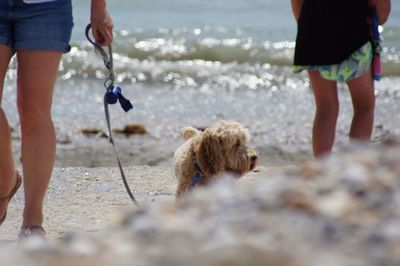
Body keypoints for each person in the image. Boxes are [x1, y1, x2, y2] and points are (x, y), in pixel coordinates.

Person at [0, 0, 113, 240]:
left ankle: (32, 220)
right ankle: (6, 180)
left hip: (45, 7)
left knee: (34, 110)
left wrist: (99, 8)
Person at [291, 0, 391, 157]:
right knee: (364, 106)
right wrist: (377, 19)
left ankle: (323, 170)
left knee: (325, 108)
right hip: (353, 32)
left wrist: (308, 25)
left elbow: (297, 4)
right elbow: (383, 7)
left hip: (312, 32)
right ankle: (356, 164)